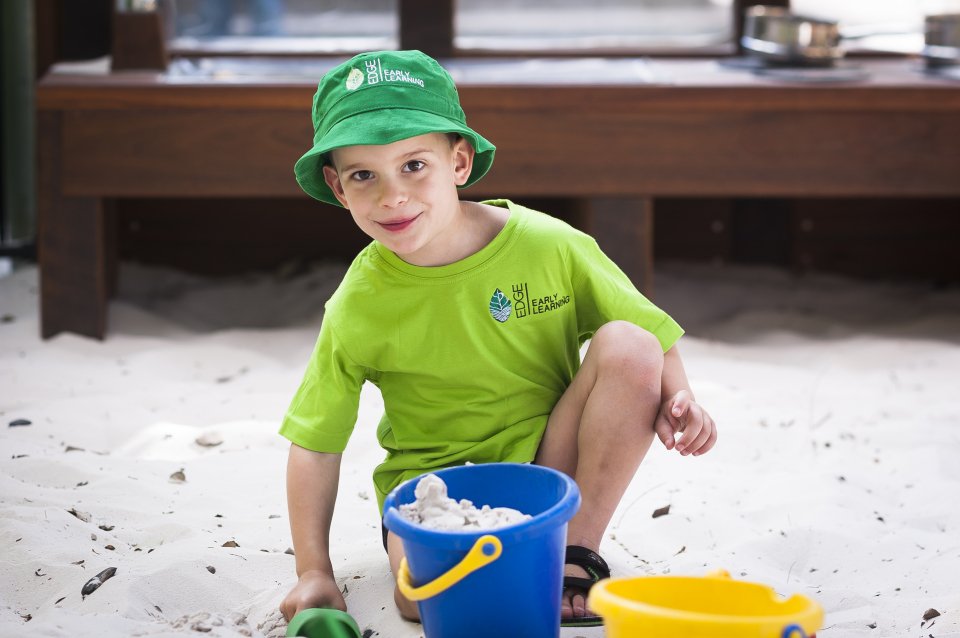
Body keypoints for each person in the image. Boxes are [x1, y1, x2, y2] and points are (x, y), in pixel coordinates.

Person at [278, 50, 717, 628]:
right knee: (420, 600)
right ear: (337, 186)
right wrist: (314, 571)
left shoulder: (548, 244)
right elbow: (315, 442)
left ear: (459, 162)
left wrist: (680, 395)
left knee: (630, 343)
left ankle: (574, 552)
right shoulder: (358, 303)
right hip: (433, 491)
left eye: (414, 165)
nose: (393, 196)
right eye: (365, 175)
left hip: (547, 472)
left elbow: (652, 333)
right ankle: (514, 561)